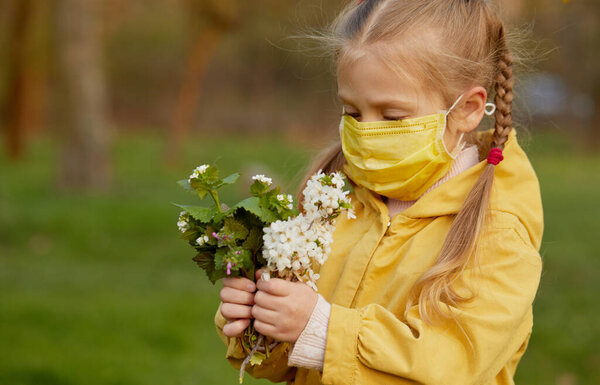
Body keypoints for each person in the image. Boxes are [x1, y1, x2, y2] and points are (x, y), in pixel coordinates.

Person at [214, 0, 543, 384]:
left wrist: (321, 329)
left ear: (468, 109)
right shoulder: (334, 193)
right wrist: (261, 324)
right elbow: (288, 362)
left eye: (392, 116)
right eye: (353, 112)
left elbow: (453, 365)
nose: (366, 132)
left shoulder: (496, 227)